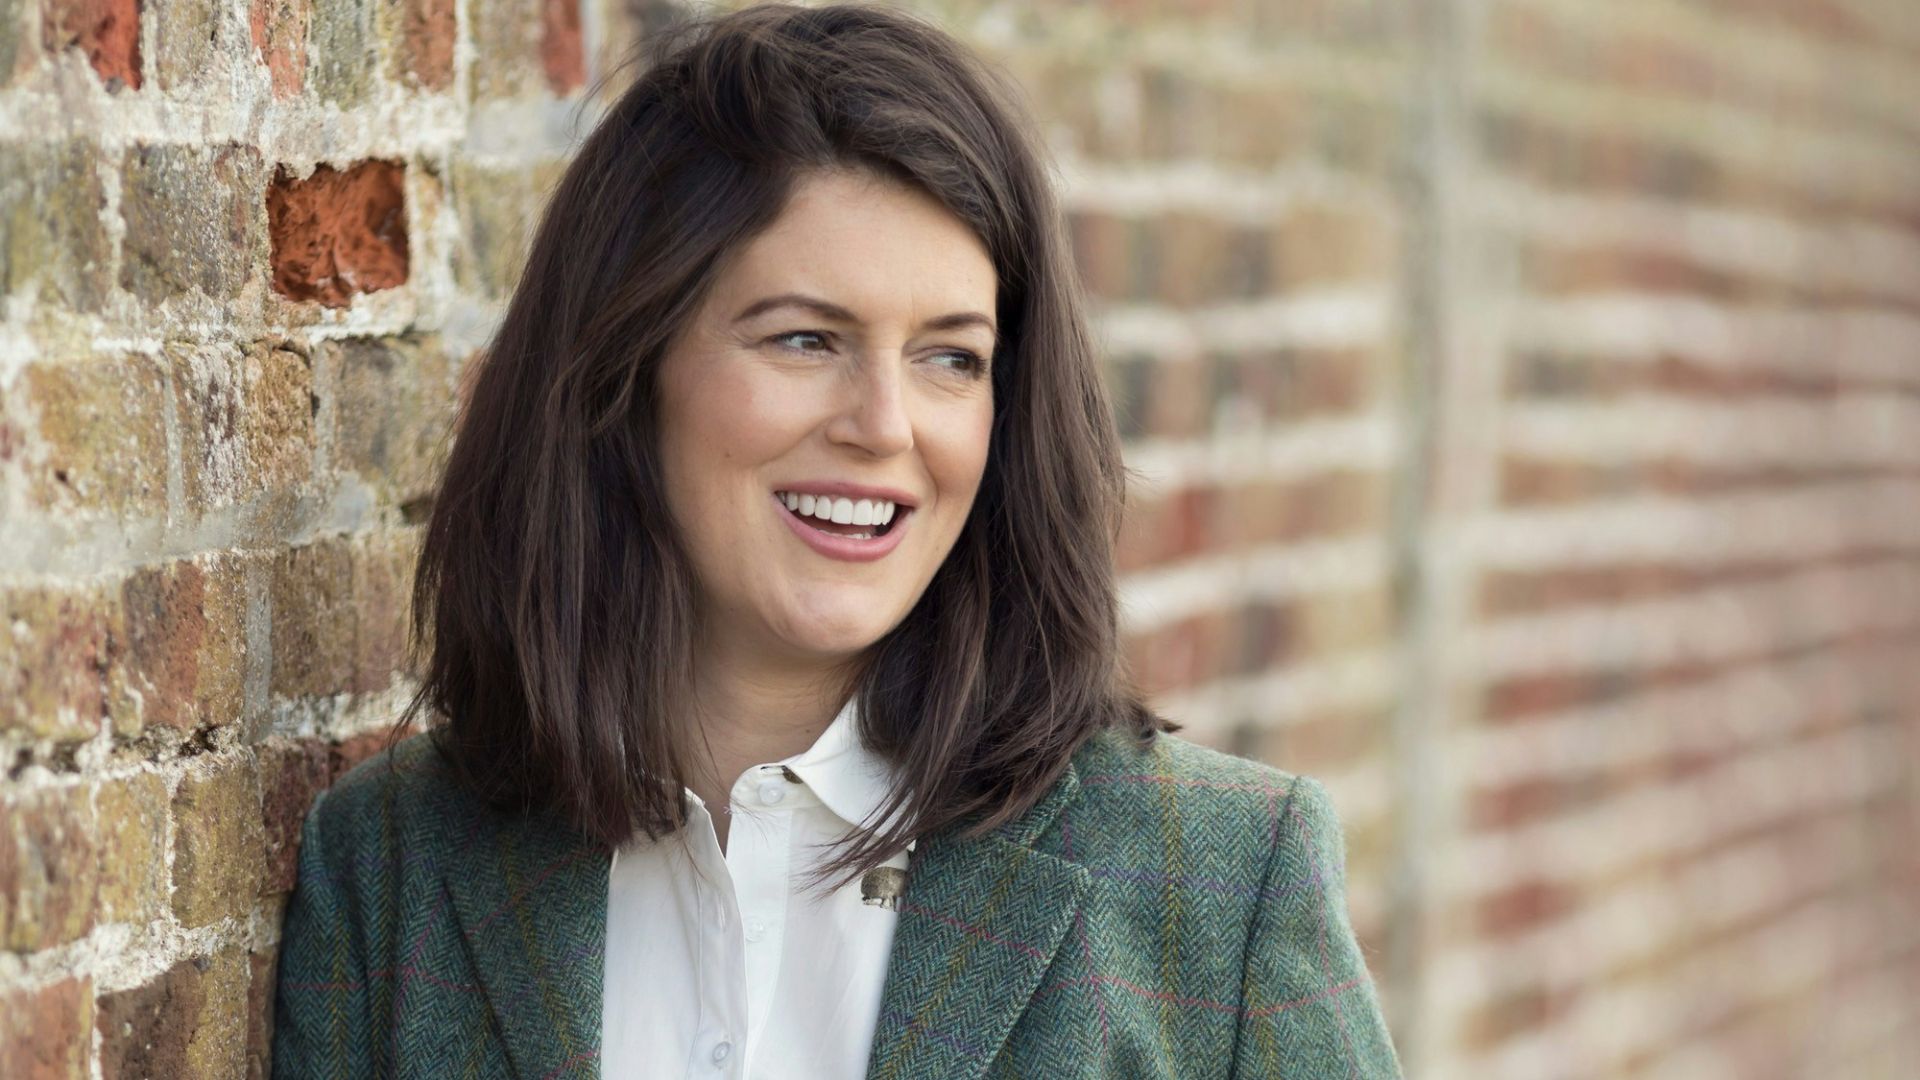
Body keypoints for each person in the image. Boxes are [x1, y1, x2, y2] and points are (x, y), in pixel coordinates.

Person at [270, 3, 1403, 1077]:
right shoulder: (394, 866)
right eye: (806, 339)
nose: (883, 426)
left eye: (952, 357)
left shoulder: (1217, 882)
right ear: (626, 369)